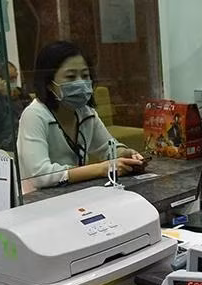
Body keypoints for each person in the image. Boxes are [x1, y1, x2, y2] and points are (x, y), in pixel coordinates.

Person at [17, 41, 143, 190]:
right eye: (71, 77)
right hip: (39, 202)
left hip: (77, 194)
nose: (80, 83)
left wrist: (125, 154)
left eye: (85, 75)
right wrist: (100, 169)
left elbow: (108, 148)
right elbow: (40, 175)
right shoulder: (34, 115)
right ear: (48, 83)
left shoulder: (86, 112)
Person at [0, 61, 30, 152]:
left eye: (15, 77)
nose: (14, 82)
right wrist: (5, 96)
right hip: (5, 139)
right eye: (11, 79)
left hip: (25, 132)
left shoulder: (20, 93)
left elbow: (31, 112)